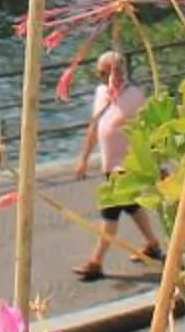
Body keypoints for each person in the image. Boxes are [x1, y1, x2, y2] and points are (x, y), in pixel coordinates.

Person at [69, 52, 162, 280]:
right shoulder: (101, 93)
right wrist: (84, 158)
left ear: (122, 70)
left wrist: (153, 162)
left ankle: (96, 262)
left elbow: (146, 131)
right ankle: (152, 243)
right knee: (131, 206)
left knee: (109, 212)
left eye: (113, 71)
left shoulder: (134, 96)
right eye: (103, 73)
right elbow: (95, 126)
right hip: (109, 163)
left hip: (126, 165)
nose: (108, 77)